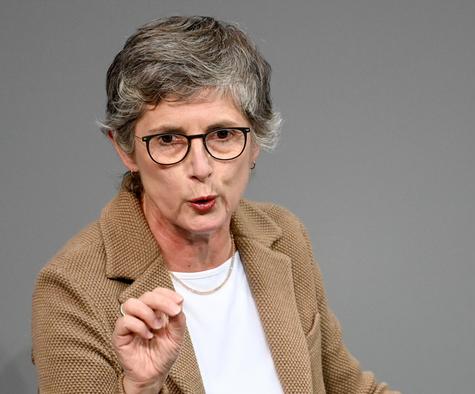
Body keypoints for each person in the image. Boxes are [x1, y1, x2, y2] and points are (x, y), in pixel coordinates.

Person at [31, 16, 398, 394]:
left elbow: (351, 389)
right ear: (126, 149)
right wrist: (140, 388)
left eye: (222, 135)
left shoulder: (283, 235)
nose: (201, 168)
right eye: (169, 139)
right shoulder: (72, 289)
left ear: (255, 140)